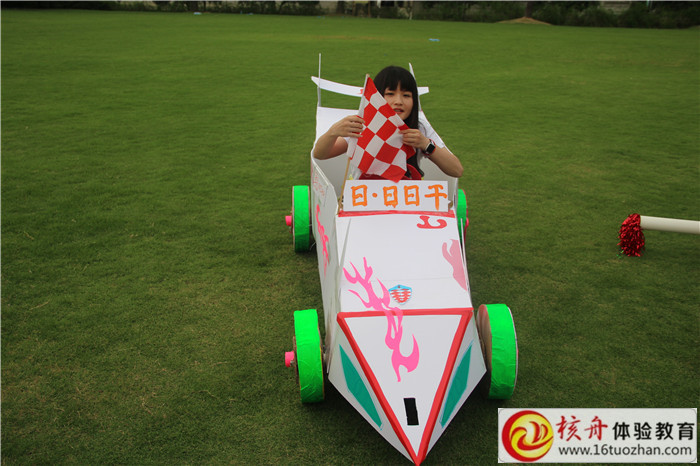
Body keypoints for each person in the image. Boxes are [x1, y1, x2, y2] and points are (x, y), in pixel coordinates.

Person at [312, 65, 464, 179]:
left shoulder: (419, 128)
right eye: (390, 94)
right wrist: (333, 132)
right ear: (378, 97)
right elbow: (320, 154)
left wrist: (426, 144)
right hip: (364, 199)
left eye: (406, 95)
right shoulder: (362, 125)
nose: (398, 101)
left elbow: (457, 170)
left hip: (409, 199)